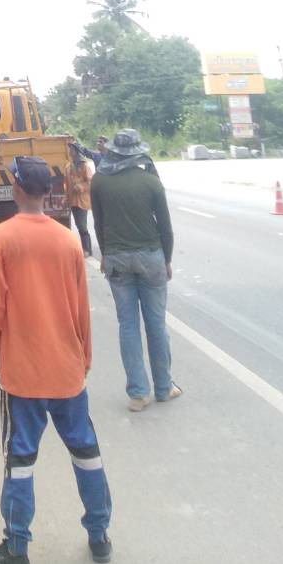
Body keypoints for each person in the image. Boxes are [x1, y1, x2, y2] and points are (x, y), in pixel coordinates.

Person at [0, 155, 113, 564]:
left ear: (17, 189)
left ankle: (17, 546)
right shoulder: (67, 240)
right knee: (86, 452)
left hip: (23, 375)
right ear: (49, 192)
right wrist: (84, 357)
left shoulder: (0, 239)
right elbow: (81, 307)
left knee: (20, 460)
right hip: (67, 371)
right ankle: (100, 536)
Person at [90, 130, 181, 412]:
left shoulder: (99, 181)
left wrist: (106, 254)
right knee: (156, 324)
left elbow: (99, 222)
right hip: (151, 257)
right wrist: (167, 259)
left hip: (117, 260)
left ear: (113, 151)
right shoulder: (151, 181)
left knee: (128, 325)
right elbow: (165, 227)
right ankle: (164, 388)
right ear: (138, 152)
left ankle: (138, 394)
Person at [65, 142, 94, 256]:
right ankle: (84, 249)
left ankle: (87, 250)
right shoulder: (68, 166)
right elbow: (66, 184)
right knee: (78, 225)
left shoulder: (84, 166)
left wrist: (81, 187)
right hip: (72, 200)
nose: (69, 151)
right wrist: (66, 197)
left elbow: (90, 182)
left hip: (82, 201)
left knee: (82, 226)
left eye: (72, 149)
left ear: (77, 152)